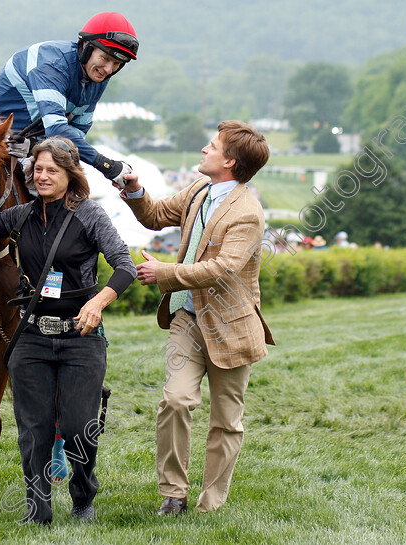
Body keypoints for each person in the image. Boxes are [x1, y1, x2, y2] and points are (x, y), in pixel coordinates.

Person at [118, 121, 275, 515]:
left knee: (226, 420)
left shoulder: (248, 213)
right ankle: (174, 493)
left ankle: (211, 503)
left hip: (232, 327)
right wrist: (135, 190)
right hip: (187, 317)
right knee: (175, 400)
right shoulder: (199, 191)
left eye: (212, 146)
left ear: (230, 161)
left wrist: (166, 273)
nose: (204, 149)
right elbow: (154, 216)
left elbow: (222, 268)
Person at [0, 137, 136, 524]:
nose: (43, 176)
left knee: (76, 429)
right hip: (32, 336)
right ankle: (38, 509)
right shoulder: (18, 216)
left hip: (80, 338)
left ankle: (83, 496)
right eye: (38, 169)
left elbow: (125, 266)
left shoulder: (90, 214)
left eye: (52, 170)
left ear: (71, 175)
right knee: (33, 431)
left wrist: (98, 302)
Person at [0, 11, 139, 248]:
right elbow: (59, 130)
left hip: (37, 137)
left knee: (50, 189)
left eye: (117, 63)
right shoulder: (53, 63)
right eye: (105, 58)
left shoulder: (96, 79)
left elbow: (74, 138)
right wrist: (108, 167)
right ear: (86, 47)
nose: (108, 69)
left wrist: (37, 148)